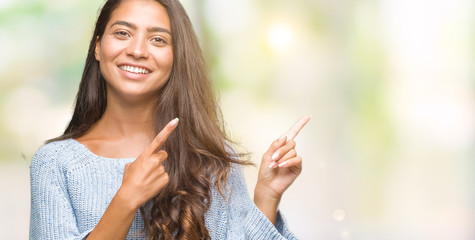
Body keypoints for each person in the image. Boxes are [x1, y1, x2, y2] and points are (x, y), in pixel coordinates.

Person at [29, 0, 311, 239]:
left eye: (158, 39)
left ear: (176, 57)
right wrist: (126, 199)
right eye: (123, 33)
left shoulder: (214, 159)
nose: (138, 50)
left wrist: (267, 196)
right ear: (98, 47)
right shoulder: (55, 163)